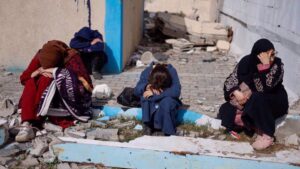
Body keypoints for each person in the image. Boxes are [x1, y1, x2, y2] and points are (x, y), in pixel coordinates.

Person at [218, 38, 289, 150]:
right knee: (226, 109)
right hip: (251, 100)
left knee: (257, 98)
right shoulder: (246, 62)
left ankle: (266, 134)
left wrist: (265, 66)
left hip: (274, 102)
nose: (272, 57)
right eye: (268, 54)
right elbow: (230, 81)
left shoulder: (277, 65)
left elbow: (266, 88)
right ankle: (251, 124)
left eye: (273, 54)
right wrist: (237, 93)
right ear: (258, 55)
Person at [17, 40, 93, 142]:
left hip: (63, 98)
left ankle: (36, 121)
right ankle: (27, 121)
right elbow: (24, 78)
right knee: (32, 81)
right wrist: (37, 71)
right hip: (42, 93)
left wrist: (56, 72)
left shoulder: (71, 57)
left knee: (47, 79)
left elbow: (87, 85)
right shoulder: (40, 55)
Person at [134, 62, 181, 136]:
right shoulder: (147, 72)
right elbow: (136, 90)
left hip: (166, 98)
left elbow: (176, 91)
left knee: (167, 102)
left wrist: (158, 94)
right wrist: (145, 86)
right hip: (153, 101)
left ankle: (168, 131)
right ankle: (148, 126)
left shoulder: (172, 71)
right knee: (145, 96)